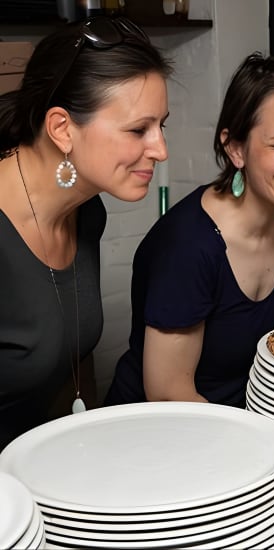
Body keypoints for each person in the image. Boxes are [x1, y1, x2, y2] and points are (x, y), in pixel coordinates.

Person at [104, 52, 274, 409]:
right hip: (171, 438)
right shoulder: (188, 247)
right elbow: (169, 395)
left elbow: (234, 306)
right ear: (236, 149)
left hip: (248, 421)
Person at [0, 15, 172, 449]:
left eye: (161, 125)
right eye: (138, 130)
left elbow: (67, 367)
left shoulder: (86, 211)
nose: (161, 150)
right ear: (62, 128)